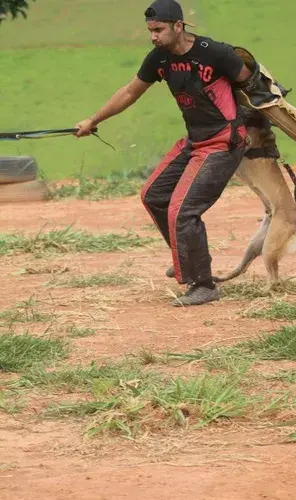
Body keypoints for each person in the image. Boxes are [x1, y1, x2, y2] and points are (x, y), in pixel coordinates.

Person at [75, 0, 252, 307]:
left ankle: (203, 284)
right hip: (195, 140)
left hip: (223, 142)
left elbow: (252, 82)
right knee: (153, 195)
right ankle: (188, 258)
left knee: (182, 210)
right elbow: (131, 91)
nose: (153, 36)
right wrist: (94, 120)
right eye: (150, 31)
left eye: (158, 30)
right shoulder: (160, 58)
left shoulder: (216, 53)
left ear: (178, 26)